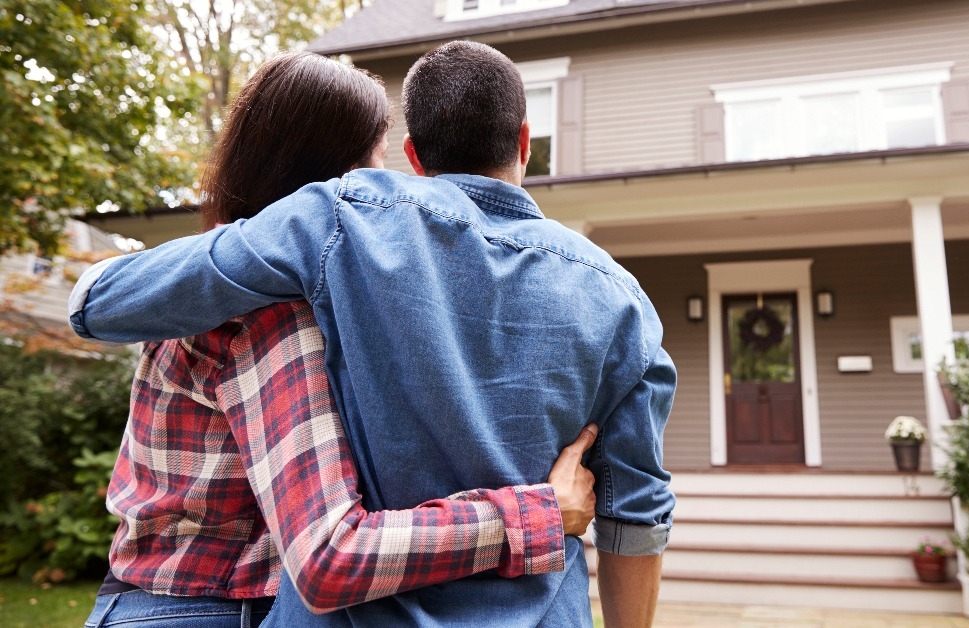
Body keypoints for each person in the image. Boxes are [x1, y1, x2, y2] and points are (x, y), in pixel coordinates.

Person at [71, 41, 676, 627]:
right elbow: (636, 511)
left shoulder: (336, 226)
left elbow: (97, 306)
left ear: (414, 156)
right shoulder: (624, 300)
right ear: (525, 141)